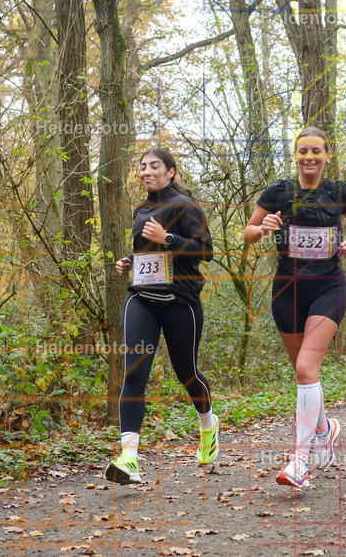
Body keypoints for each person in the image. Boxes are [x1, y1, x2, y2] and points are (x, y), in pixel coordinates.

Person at [243, 127, 346, 489]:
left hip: (328, 286)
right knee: (303, 373)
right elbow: (247, 234)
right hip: (287, 291)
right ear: (295, 156)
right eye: (302, 152)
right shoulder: (278, 192)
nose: (309, 158)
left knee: (305, 368)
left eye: (316, 152)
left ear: (327, 156)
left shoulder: (339, 191)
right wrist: (262, 227)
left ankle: (300, 460)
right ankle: (325, 429)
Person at [106, 148, 218, 485]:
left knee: (188, 375)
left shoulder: (186, 206)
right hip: (142, 298)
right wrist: (130, 260)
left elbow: (206, 251)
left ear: (170, 172)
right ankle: (129, 458)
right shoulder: (141, 209)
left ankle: (208, 423)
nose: (146, 171)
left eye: (154, 166)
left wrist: (168, 238)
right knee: (134, 374)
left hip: (180, 301)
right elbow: (147, 252)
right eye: (141, 167)